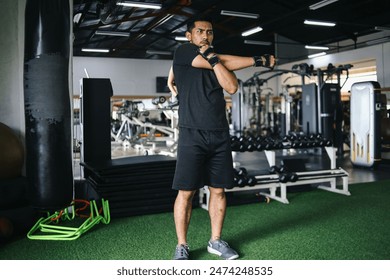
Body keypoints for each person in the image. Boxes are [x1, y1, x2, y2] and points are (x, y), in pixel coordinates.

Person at [171, 16, 275, 260]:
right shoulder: (183, 51)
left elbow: (232, 87)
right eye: (200, 31)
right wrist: (258, 60)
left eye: (209, 32)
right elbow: (223, 61)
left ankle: (215, 241)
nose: (205, 35)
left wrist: (216, 59)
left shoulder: (215, 60)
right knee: (186, 192)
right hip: (191, 133)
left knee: (218, 190)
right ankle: (182, 245)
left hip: (219, 135)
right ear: (189, 35)